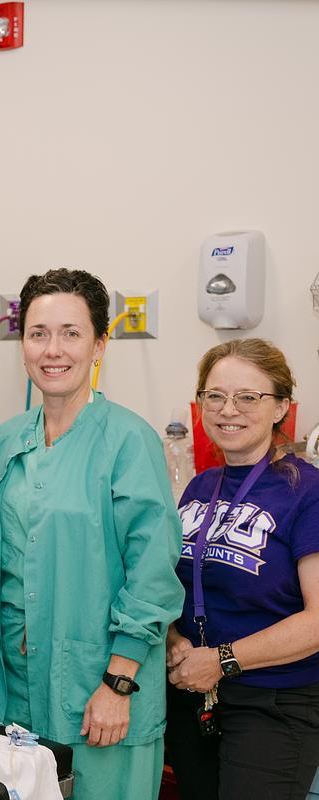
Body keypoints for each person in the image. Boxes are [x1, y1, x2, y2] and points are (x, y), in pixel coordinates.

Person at [0, 268, 184, 800]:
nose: (53, 349)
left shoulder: (127, 441)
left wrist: (118, 682)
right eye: (38, 333)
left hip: (103, 688)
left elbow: (153, 573)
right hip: (14, 690)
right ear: (22, 344)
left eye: (71, 333)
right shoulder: (4, 441)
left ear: (99, 344)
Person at [164, 338, 319, 800]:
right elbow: (176, 586)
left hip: (272, 702)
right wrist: (174, 642)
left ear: (281, 408)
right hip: (194, 694)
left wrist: (222, 660)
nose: (228, 409)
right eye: (215, 395)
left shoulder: (306, 492)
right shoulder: (199, 486)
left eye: (248, 397)